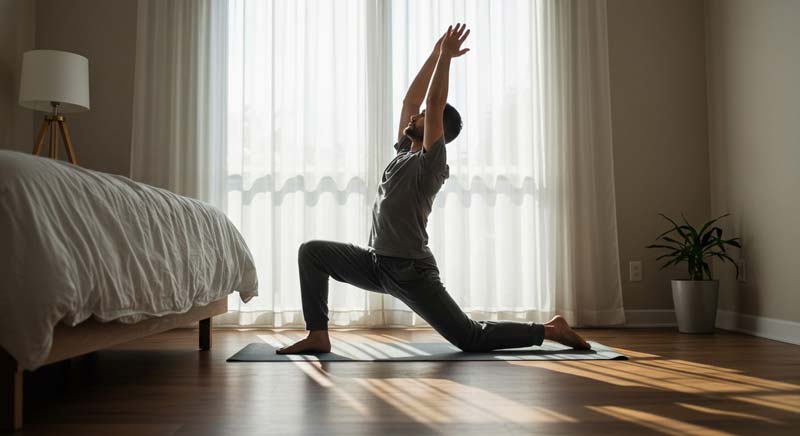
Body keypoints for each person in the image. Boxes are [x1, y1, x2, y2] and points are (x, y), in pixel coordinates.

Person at [278, 24, 590, 354]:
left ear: (436, 128)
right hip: (376, 263)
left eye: (424, 116)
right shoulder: (402, 154)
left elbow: (434, 101)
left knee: (471, 338)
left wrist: (446, 59)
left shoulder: (431, 165)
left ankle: (550, 330)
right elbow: (411, 99)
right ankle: (318, 335)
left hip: (411, 271)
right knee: (311, 252)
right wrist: (433, 54)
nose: (415, 115)